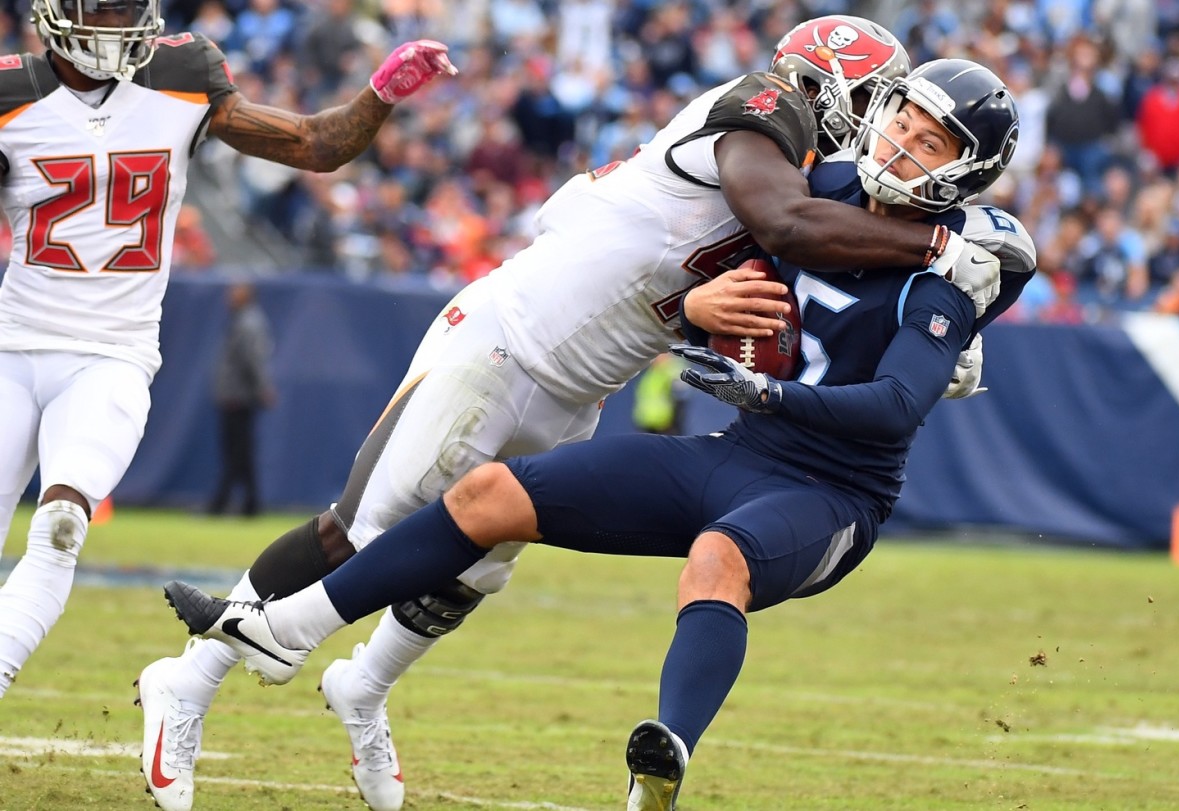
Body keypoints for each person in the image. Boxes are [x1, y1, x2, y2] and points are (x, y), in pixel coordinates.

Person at [138, 16, 1003, 811]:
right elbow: (790, 223)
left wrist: (966, 294)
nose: (881, 135)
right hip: (511, 337)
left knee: (474, 563)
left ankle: (363, 687)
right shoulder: (764, 111)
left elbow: (797, 260)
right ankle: (194, 678)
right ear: (838, 96)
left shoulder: (828, 185)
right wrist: (948, 247)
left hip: (584, 376)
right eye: (879, 110)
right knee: (363, 529)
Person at [0, 0, 455, 704]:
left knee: (61, 525)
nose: (121, 26)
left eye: (130, 10)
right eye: (105, 10)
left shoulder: (181, 75)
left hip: (113, 355)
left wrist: (379, 95)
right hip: (12, 344)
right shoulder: (10, 94)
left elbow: (313, 144)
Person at [208, 281, 275, 517]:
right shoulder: (244, 320)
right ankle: (251, 504)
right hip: (236, 395)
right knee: (241, 454)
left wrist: (261, 388)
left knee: (236, 453)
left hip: (239, 396)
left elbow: (252, 360)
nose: (229, 296)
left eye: (234, 291)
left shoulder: (249, 323)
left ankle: (220, 504)